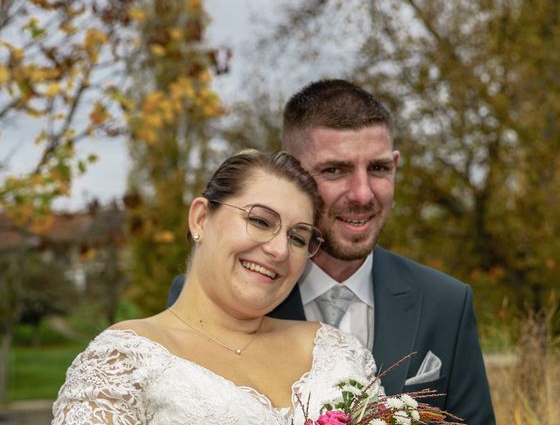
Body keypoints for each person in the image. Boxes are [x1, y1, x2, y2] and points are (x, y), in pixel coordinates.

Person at [169, 80, 496, 424]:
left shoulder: (446, 302)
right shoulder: (224, 294)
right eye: (334, 170)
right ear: (292, 174)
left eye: (379, 168)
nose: (362, 194)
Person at [52, 150, 381, 425]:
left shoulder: (336, 351)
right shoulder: (121, 363)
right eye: (260, 221)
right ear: (200, 219)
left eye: (298, 237)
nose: (280, 250)